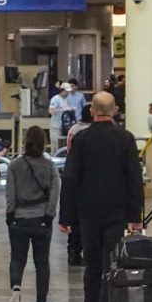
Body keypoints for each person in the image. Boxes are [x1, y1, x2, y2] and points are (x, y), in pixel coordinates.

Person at [59, 92, 144, 302]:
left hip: (89, 213)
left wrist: (66, 216)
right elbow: (134, 178)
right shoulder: (126, 138)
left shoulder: (82, 139)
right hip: (117, 213)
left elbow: (71, 178)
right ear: (115, 110)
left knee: (92, 265)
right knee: (112, 266)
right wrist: (135, 216)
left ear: (93, 111)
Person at [5, 126, 60, 302]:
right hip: (41, 219)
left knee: (17, 258)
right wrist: (49, 215)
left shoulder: (15, 164)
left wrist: (10, 214)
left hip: (19, 218)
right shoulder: (49, 165)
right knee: (42, 262)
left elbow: (10, 192)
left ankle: (16, 286)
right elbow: (55, 191)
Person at [62, 103, 94, 267]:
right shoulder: (88, 132)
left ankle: (72, 252)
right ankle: (80, 251)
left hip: (71, 171)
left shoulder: (74, 128)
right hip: (85, 175)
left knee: (74, 218)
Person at [48, 83, 77, 151]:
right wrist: (63, 109)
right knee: (55, 146)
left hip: (63, 126)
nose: (67, 94)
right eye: (66, 92)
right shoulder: (55, 99)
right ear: (62, 90)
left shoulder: (66, 100)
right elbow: (51, 111)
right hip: (56, 126)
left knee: (62, 146)